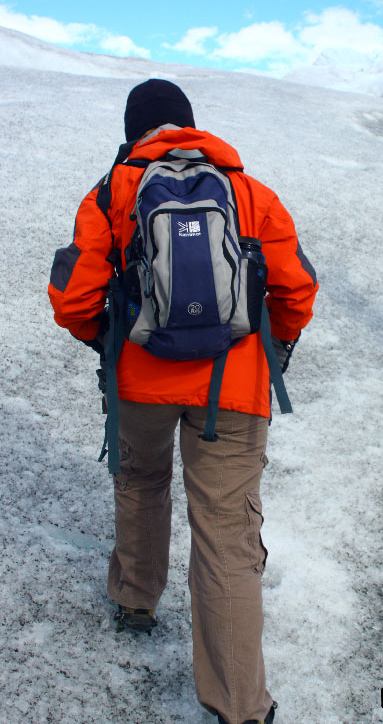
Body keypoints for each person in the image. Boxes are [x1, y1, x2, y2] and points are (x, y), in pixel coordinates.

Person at [48, 79, 319, 724]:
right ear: (190, 125)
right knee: (226, 533)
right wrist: (269, 348)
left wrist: (112, 345)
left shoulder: (111, 193)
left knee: (141, 485)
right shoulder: (250, 193)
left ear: (133, 129)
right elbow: (298, 290)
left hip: (139, 381)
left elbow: (72, 300)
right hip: (233, 385)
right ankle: (239, 707)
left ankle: (136, 600)